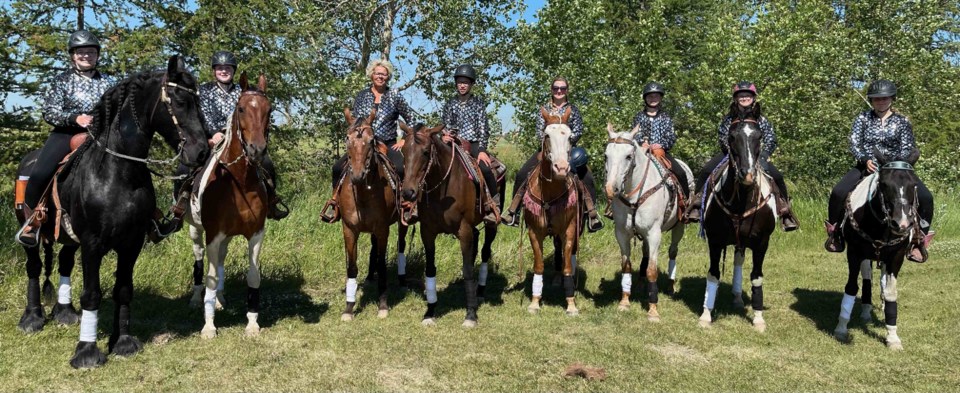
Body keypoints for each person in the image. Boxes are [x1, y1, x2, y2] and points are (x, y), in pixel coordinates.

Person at [161, 51, 289, 238]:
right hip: (212, 139)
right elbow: (200, 117)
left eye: (227, 68)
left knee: (267, 164)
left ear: (233, 70)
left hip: (239, 141)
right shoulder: (204, 91)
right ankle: (178, 210)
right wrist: (212, 135)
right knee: (185, 166)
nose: (223, 71)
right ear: (214, 71)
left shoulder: (242, 92)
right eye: (220, 68)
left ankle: (271, 202)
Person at [16, 30, 118, 247]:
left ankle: (148, 218)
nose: (86, 55)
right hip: (66, 133)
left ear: (97, 54)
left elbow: (119, 110)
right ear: (73, 55)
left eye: (91, 51)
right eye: (81, 52)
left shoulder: (110, 82)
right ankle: (33, 223)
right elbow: (49, 112)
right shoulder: (61, 80)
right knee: (40, 173)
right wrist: (75, 117)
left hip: (101, 135)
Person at [824, 79, 934, 262]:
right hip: (867, 166)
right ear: (872, 100)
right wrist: (865, 159)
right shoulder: (862, 119)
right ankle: (836, 233)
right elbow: (854, 142)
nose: (880, 102)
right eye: (876, 99)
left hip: (895, 170)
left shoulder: (902, 122)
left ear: (891, 99)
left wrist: (893, 164)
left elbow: (907, 147)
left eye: (884, 98)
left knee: (926, 197)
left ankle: (919, 239)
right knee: (838, 192)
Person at [684, 81, 799, 232]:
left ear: (753, 98)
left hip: (756, 156)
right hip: (731, 155)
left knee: (776, 175)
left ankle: (785, 210)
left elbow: (771, 139)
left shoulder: (761, 120)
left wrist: (764, 155)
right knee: (707, 170)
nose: (744, 98)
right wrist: (731, 151)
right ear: (735, 98)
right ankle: (697, 203)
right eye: (741, 95)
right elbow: (722, 136)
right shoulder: (728, 119)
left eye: (747, 95)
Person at [501, 77, 603, 232]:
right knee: (523, 173)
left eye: (562, 88)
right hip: (547, 149)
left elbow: (578, 130)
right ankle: (514, 211)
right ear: (552, 90)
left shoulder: (573, 109)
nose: (559, 91)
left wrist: (564, 140)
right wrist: (551, 143)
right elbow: (538, 131)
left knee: (586, 177)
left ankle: (591, 214)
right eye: (556, 88)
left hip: (568, 149)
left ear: (567, 90)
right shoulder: (544, 109)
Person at [321, 59, 417, 223]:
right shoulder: (362, 96)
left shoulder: (395, 96)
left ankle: (405, 205)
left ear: (388, 77)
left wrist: (405, 139)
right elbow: (357, 123)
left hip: (387, 143)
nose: (381, 76)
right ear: (372, 75)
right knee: (337, 167)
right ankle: (335, 203)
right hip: (364, 145)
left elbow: (412, 120)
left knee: (401, 168)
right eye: (378, 73)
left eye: (384, 74)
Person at [609, 81, 690, 217]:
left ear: (661, 98)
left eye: (656, 96)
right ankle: (613, 205)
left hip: (660, 153)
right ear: (645, 98)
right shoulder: (639, 117)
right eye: (650, 96)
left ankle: (684, 205)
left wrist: (661, 145)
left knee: (680, 173)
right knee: (623, 172)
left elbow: (671, 136)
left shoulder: (666, 118)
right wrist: (642, 144)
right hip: (642, 152)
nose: (653, 99)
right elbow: (635, 134)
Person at [439, 64, 500, 224]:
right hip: (453, 144)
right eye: (459, 82)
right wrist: (444, 136)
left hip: (472, 144)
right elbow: (444, 125)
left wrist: (481, 150)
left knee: (486, 169)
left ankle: (493, 204)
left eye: (466, 82)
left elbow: (483, 129)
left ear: (471, 84)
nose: (462, 85)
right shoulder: (450, 104)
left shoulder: (478, 104)